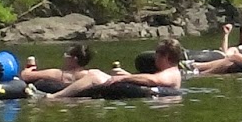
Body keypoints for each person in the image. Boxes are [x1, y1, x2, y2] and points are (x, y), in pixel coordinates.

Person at [44, 37, 185, 97]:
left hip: (144, 93)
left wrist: (124, 77)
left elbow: (154, 80)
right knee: (95, 76)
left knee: (94, 75)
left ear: (167, 57)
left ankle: (56, 97)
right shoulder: (170, 72)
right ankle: (62, 91)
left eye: (159, 54)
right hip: (139, 90)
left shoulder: (170, 72)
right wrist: (127, 75)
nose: (155, 57)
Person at [21, 43, 93, 92]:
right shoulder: (88, 75)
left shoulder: (58, 74)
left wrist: (29, 69)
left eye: (67, 54)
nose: (64, 56)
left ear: (74, 59)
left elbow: (25, 76)